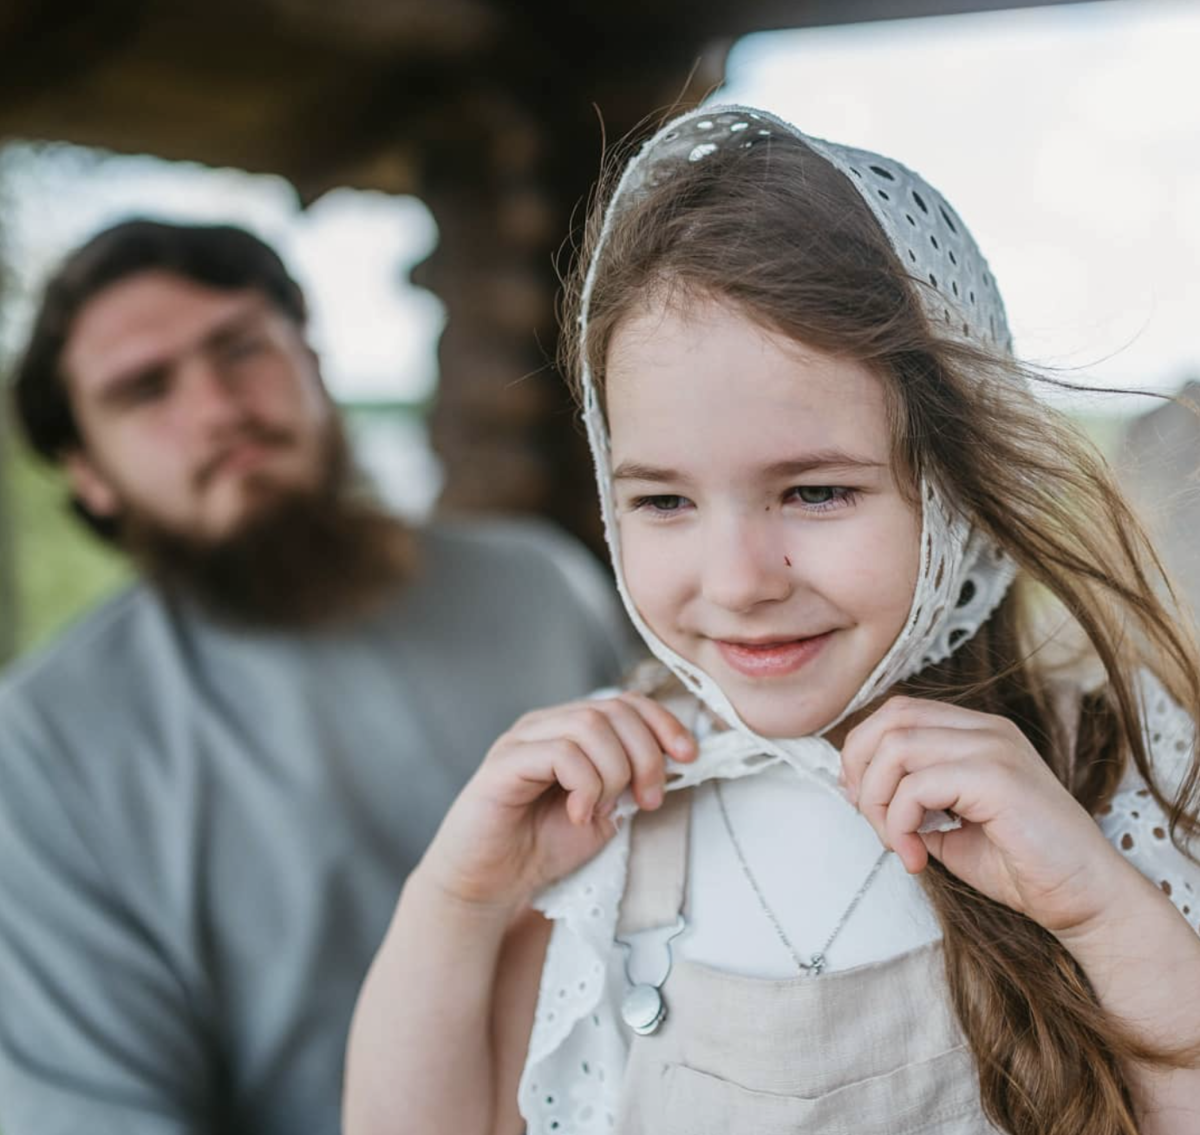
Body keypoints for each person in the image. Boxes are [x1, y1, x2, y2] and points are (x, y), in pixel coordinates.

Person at [343, 106, 1200, 1135]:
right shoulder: (612, 817)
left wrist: (1097, 907)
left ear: (955, 485)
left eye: (815, 493)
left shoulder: (1120, 769)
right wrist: (459, 898)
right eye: (663, 502)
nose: (741, 579)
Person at [0, 220, 632, 1135]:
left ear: (313, 359)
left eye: (241, 349)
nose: (217, 406)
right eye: (146, 390)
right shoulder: (44, 745)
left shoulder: (539, 585)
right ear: (90, 475)